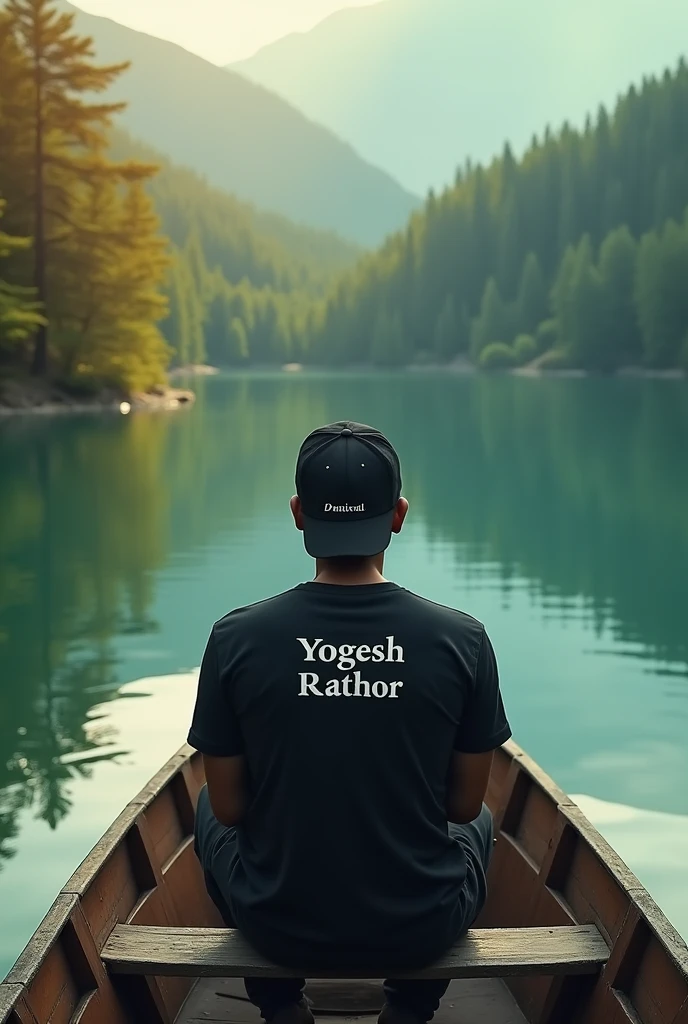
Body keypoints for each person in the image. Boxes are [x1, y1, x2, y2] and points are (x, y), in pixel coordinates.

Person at [188, 420, 512, 1024]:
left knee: (207, 806)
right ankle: (411, 1007)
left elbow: (232, 809)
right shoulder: (461, 640)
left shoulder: (236, 638)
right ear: (399, 514)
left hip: (277, 922)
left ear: (297, 513)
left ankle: (280, 1005)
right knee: (486, 820)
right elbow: (463, 807)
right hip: (421, 924)